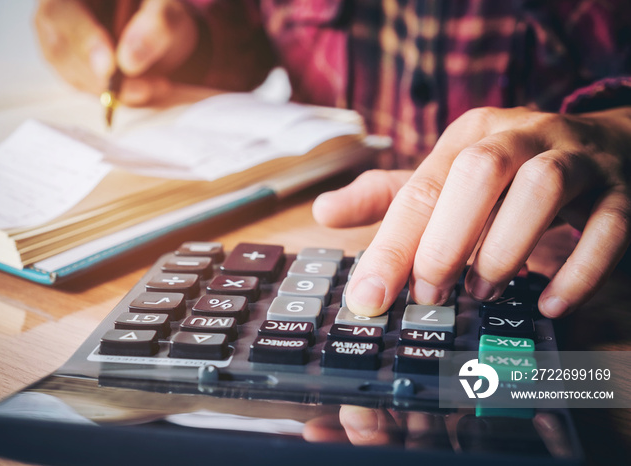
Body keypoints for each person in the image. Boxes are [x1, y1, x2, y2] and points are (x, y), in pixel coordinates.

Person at [35, 0, 631, 319]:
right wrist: (183, 32)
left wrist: (618, 131)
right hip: (330, 232)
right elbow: (239, 24)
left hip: (570, 260)